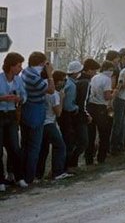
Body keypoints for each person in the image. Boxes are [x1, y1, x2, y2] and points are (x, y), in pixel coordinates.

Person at [20, 51, 55, 184]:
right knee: (34, 146)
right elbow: (51, 90)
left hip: (26, 108)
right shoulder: (34, 78)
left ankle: (21, 175)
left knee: (25, 144)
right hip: (36, 110)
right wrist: (50, 74)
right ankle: (30, 177)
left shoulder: (26, 72)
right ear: (41, 63)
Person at [36, 70, 72, 180]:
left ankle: (38, 174)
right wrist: (61, 98)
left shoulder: (44, 90)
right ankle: (58, 172)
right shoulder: (55, 95)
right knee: (60, 146)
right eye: (63, 80)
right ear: (57, 82)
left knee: (43, 150)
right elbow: (58, 112)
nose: (64, 82)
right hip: (49, 123)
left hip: (41, 123)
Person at [0, 52, 28, 191]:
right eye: (18, 65)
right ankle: (1, 180)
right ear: (11, 66)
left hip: (11, 114)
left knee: (15, 148)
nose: (20, 68)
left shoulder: (18, 80)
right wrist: (2, 98)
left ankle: (18, 176)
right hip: (0, 113)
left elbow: (24, 95)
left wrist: (20, 99)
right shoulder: (0, 79)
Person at [86, 61, 115, 164]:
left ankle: (88, 159)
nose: (111, 72)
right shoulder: (107, 80)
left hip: (91, 106)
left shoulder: (95, 77)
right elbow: (107, 96)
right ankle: (101, 158)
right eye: (111, 70)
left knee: (91, 135)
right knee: (104, 134)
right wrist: (114, 94)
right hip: (101, 108)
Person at [58, 61, 84, 171]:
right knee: (69, 141)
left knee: (68, 141)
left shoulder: (68, 83)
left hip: (63, 116)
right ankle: (66, 167)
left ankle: (65, 166)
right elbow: (68, 106)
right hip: (67, 116)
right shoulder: (72, 86)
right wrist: (76, 108)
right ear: (75, 73)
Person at [110, 63, 125, 154]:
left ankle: (119, 145)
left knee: (121, 124)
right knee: (119, 124)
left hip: (123, 99)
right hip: (121, 99)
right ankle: (114, 146)